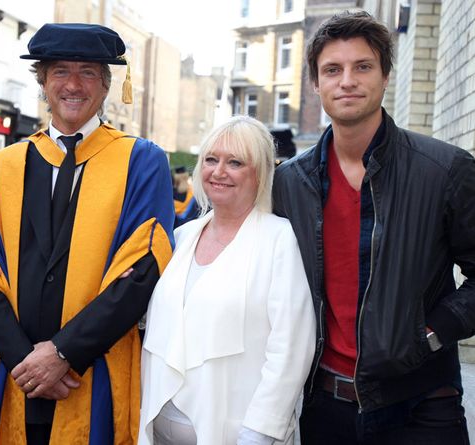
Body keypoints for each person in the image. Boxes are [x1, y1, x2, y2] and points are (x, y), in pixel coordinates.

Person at [0, 23, 174, 445]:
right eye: (60, 71)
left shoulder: (141, 161)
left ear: (107, 84)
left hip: (94, 373)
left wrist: (62, 354)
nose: (73, 85)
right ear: (42, 81)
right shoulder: (8, 164)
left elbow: (142, 271)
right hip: (16, 376)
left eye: (88, 72)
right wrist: (26, 363)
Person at [273, 10, 475, 444]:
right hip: (321, 406)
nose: (347, 80)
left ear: (385, 77)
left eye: (362, 66)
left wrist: (431, 335)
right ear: (316, 84)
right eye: (333, 69)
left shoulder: (444, 170)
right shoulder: (288, 182)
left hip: (422, 405)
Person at [139, 115, 316, 445]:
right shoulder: (182, 236)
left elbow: (291, 347)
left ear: (259, 173)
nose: (218, 172)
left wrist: (260, 432)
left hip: (234, 432)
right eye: (211, 159)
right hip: (158, 428)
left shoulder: (280, 240)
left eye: (235, 162)